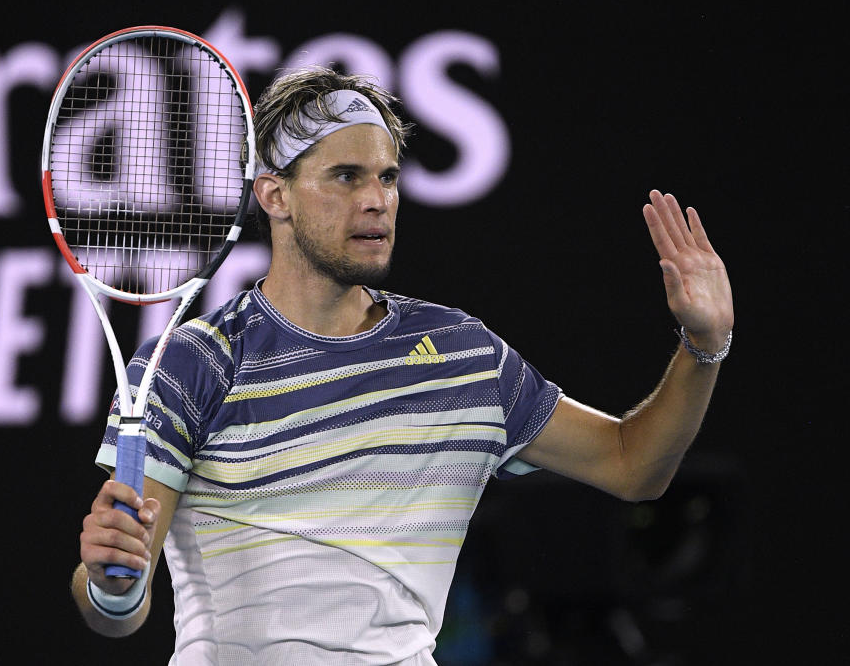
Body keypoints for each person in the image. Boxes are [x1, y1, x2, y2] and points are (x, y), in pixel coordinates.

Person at [70, 67, 734, 665]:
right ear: (275, 195)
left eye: (386, 176)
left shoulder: (462, 356)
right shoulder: (194, 361)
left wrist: (701, 346)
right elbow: (118, 608)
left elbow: (633, 464)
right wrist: (111, 578)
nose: (376, 199)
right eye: (345, 176)